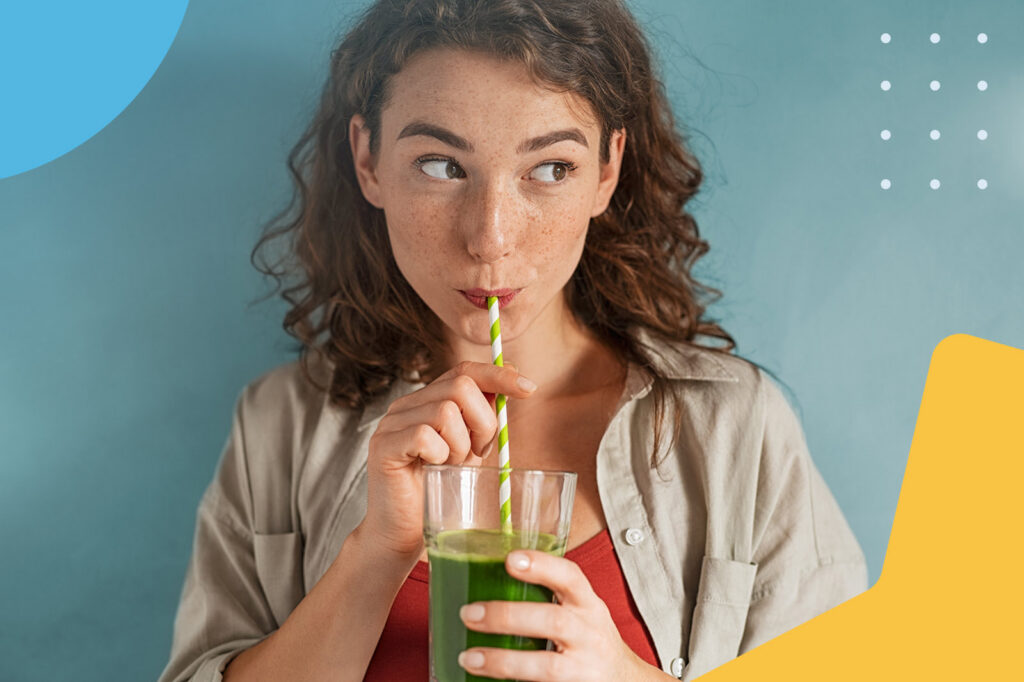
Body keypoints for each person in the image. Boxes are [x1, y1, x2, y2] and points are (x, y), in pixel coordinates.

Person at [159, 0, 867, 680]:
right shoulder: (277, 427)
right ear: (368, 161)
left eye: (551, 168)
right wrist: (376, 552)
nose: (491, 238)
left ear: (607, 170)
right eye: (441, 165)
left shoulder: (736, 428)